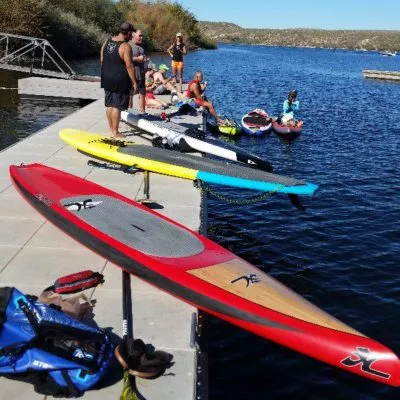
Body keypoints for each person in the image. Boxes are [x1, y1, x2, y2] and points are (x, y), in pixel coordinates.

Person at [100, 22, 137, 138]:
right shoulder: (125, 46)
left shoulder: (107, 42)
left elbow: (102, 60)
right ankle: (115, 132)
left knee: (110, 105)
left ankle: (111, 130)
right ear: (129, 33)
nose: (131, 36)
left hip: (107, 78)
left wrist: (107, 72)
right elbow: (129, 66)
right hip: (120, 80)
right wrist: (134, 82)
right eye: (131, 33)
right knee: (117, 106)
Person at [129, 29, 149, 112]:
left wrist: (146, 59)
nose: (142, 37)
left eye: (142, 35)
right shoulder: (128, 45)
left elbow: (145, 58)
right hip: (131, 75)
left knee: (142, 93)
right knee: (130, 94)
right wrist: (137, 58)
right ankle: (128, 112)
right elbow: (124, 59)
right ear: (133, 35)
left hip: (141, 74)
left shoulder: (142, 46)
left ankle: (142, 113)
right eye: (140, 35)